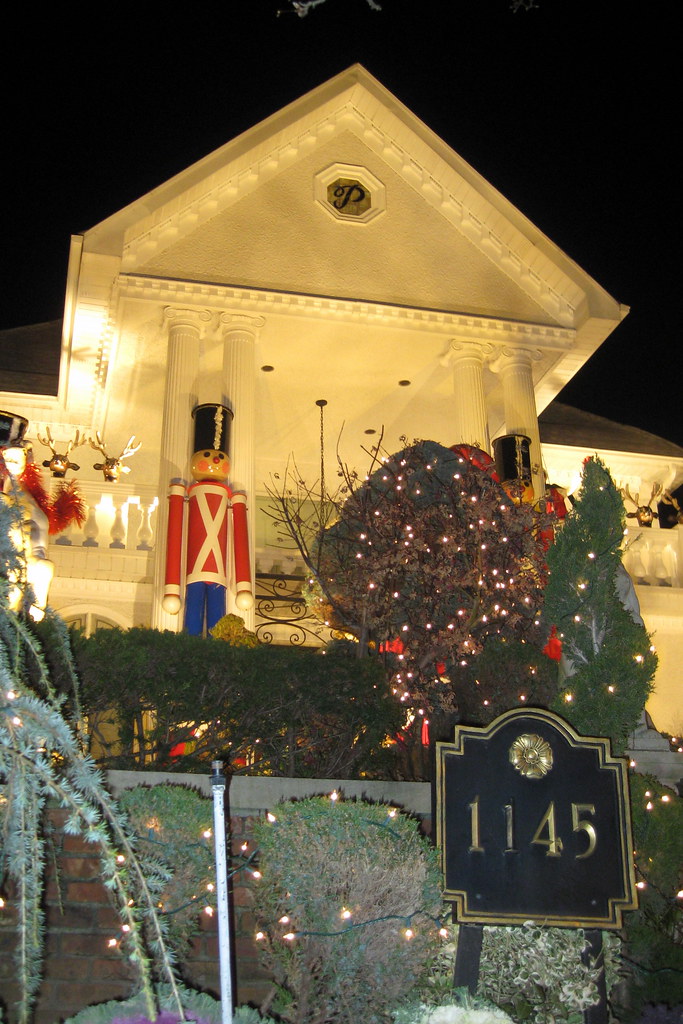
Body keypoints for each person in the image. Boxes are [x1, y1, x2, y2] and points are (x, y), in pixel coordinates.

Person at [162, 403, 253, 635]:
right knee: (191, 619)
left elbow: (240, 541)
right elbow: (174, 539)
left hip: (218, 576)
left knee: (217, 620)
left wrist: (244, 586)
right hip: (194, 574)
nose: (214, 461)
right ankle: (191, 647)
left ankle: (215, 652)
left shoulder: (232, 498)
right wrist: (171, 589)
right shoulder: (187, 494)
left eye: (220, 456)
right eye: (207, 455)